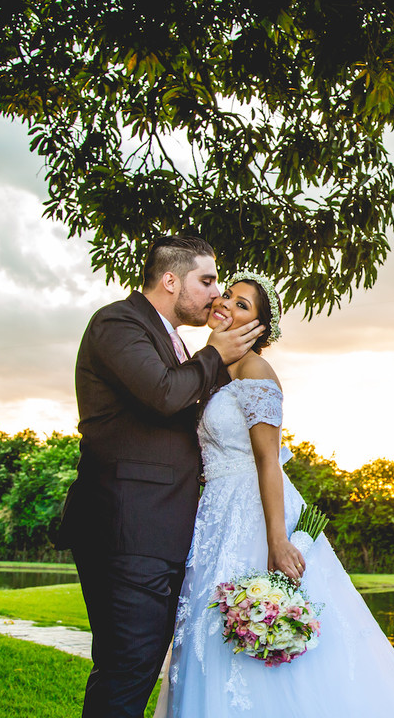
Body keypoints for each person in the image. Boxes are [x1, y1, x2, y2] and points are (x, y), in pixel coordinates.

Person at [158, 272, 394, 717]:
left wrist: (277, 539)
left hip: (255, 511)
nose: (227, 303)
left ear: (259, 329)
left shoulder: (255, 371)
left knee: (261, 623)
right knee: (209, 632)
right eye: (227, 294)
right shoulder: (206, 371)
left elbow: (269, 461)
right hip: (213, 517)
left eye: (244, 304)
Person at [57, 235, 264, 718]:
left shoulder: (171, 341)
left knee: (137, 666)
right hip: (127, 528)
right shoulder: (117, 322)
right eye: (207, 281)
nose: (216, 294)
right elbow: (165, 394)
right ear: (170, 280)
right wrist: (214, 354)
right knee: (127, 669)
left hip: (160, 532)